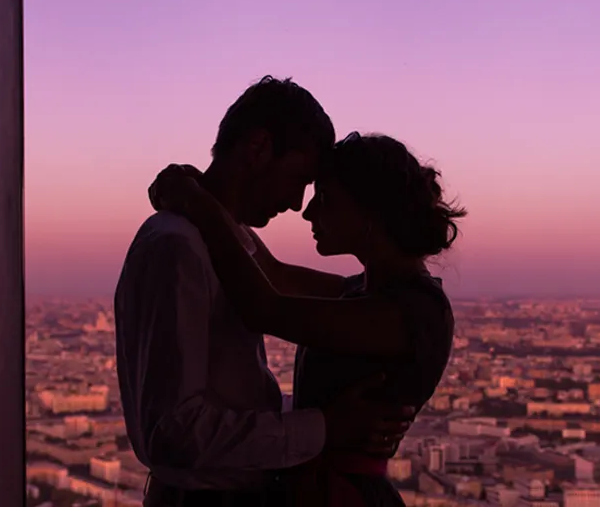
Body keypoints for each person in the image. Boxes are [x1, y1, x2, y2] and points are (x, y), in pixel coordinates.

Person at [114, 77, 416, 507]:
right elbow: (175, 432)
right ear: (257, 149)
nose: (297, 204)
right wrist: (325, 427)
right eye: (298, 178)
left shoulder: (224, 238)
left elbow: (278, 281)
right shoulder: (178, 246)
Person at [149, 130, 465, 506]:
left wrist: (200, 206)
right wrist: (212, 200)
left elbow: (263, 306)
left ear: (369, 212)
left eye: (326, 199)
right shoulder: (369, 295)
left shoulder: (409, 313)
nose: (309, 211)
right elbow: (274, 274)